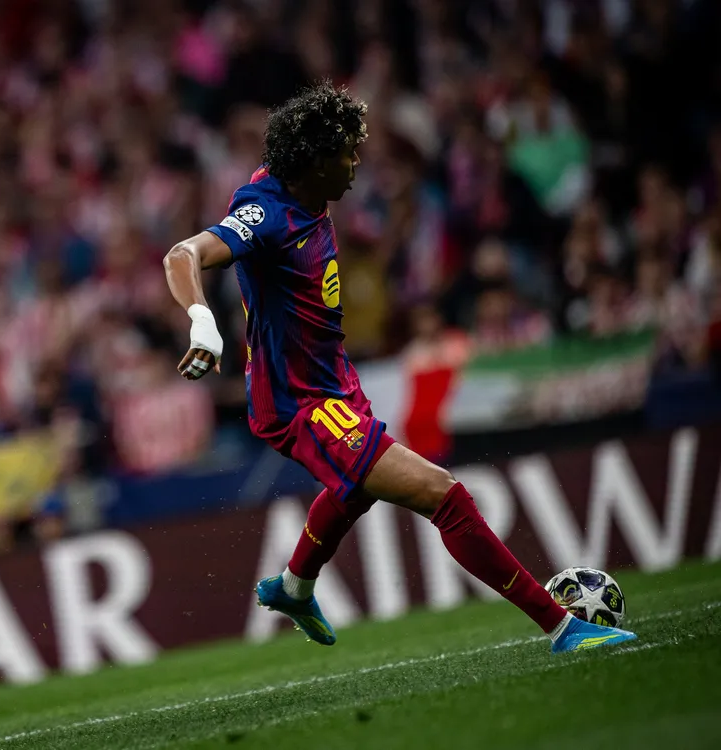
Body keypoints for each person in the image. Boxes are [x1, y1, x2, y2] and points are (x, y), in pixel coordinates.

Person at [162, 81, 637, 654]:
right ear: (313, 163)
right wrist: (202, 322)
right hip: (300, 403)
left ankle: (293, 586)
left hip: (335, 380)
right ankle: (562, 626)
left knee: (355, 490)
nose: (356, 163)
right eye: (346, 153)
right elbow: (182, 254)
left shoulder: (298, 184)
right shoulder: (266, 214)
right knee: (445, 494)